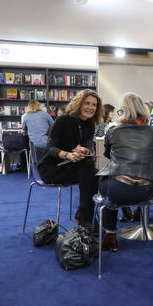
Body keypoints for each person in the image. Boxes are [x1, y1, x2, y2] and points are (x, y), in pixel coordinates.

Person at [97, 92, 153, 251]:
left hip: (117, 189)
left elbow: (107, 155)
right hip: (146, 192)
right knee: (114, 183)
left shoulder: (113, 131)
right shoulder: (152, 132)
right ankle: (129, 215)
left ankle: (110, 234)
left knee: (107, 184)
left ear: (123, 110)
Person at [38, 89, 104, 230]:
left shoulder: (90, 124)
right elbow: (50, 147)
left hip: (73, 167)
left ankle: (85, 215)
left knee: (95, 172)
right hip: (52, 168)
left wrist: (84, 150)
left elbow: (87, 144)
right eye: (87, 103)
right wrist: (69, 155)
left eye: (94, 105)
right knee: (90, 168)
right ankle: (85, 216)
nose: (91, 107)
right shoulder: (63, 119)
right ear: (79, 103)